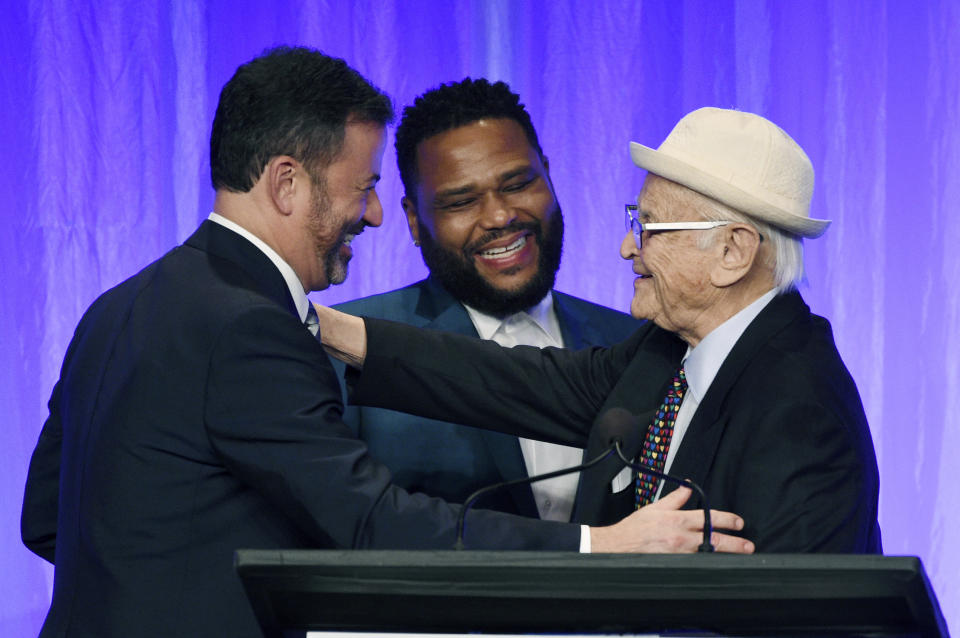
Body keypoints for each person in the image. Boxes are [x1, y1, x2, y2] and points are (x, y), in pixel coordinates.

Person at [20, 50, 753, 638]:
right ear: (286, 185)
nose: (370, 214)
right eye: (362, 186)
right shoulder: (250, 324)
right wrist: (603, 547)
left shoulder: (118, 306)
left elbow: (48, 518)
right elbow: (369, 522)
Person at [318, 106, 883, 553]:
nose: (626, 248)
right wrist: (324, 325)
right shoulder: (668, 353)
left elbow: (789, 616)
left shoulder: (798, 405)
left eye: (650, 227)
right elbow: (520, 382)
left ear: (733, 251)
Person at [333, 78, 639, 523]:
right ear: (414, 221)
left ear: (550, 177)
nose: (500, 216)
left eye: (518, 184)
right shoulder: (352, 347)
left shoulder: (635, 342)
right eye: (462, 202)